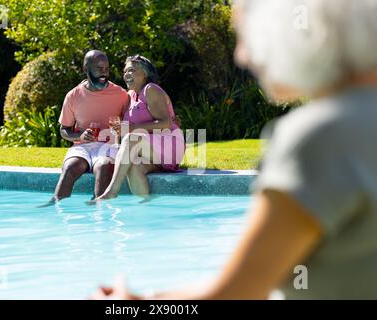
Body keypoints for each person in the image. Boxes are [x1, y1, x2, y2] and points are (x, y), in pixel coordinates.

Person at [92, 0, 377, 299]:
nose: (241, 56)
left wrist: (130, 304)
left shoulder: (317, 138)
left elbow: (237, 295)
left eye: (249, 35)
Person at [92, 55, 185, 201]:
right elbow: (128, 128)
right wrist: (120, 132)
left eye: (131, 70)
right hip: (151, 151)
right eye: (125, 71)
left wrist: (132, 129)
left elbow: (166, 124)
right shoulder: (130, 95)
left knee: (131, 138)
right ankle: (146, 208)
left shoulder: (151, 89)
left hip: (170, 144)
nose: (126, 74)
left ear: (145, 74)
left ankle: (111, 191)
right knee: (134, 166)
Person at [45, 50, 129, 205]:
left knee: (103, 167)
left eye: (106, 68)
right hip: (82, 147)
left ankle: (98, 207)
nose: (104, 73)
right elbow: (64, 130)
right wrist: (79, 136)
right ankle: (55, 206)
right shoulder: (73, 95)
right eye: (99, 68)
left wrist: (122, 128)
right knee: (70, 167)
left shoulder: (121, 94)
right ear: (85, 69)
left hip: (108, 146)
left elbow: (130, 124)